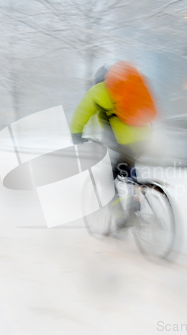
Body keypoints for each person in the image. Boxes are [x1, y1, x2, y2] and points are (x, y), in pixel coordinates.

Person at [70, 61, 157, 233]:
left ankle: (120, 218)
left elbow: (82, 112)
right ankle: (136, 202)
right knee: (130, 167)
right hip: (146, 139)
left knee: (108, 178)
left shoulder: (98, 91)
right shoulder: (128, 89)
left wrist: (76, 134)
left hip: (125, 143)